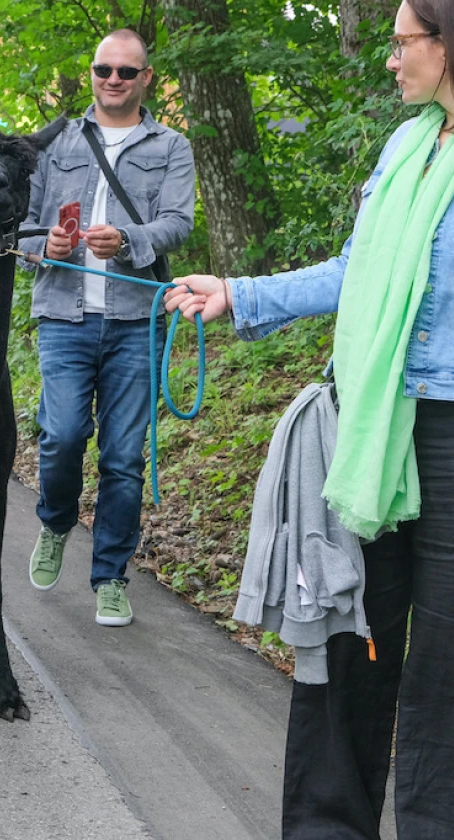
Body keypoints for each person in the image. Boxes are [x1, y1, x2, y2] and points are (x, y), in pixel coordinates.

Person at [166, 2, 454, 834]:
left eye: (405, 43)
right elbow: (358, 267)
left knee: (443, 666)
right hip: (376, 423)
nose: (393, 60)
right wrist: (240, 294)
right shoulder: (409, 145)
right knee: (348, 631)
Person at [19, 29, 195, 628]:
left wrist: (129, 242)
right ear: (92, 74)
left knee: (123, 458)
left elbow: (177, 223)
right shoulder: (56, 139)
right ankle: (55, 521)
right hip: (64, 315)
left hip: (134, 319)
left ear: (146, 77)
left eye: (126, 71)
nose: (113, 80)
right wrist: (48, 244)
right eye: (103, 70)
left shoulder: (171, 146)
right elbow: (18, 226)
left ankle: (111, 576)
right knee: (62, 435)